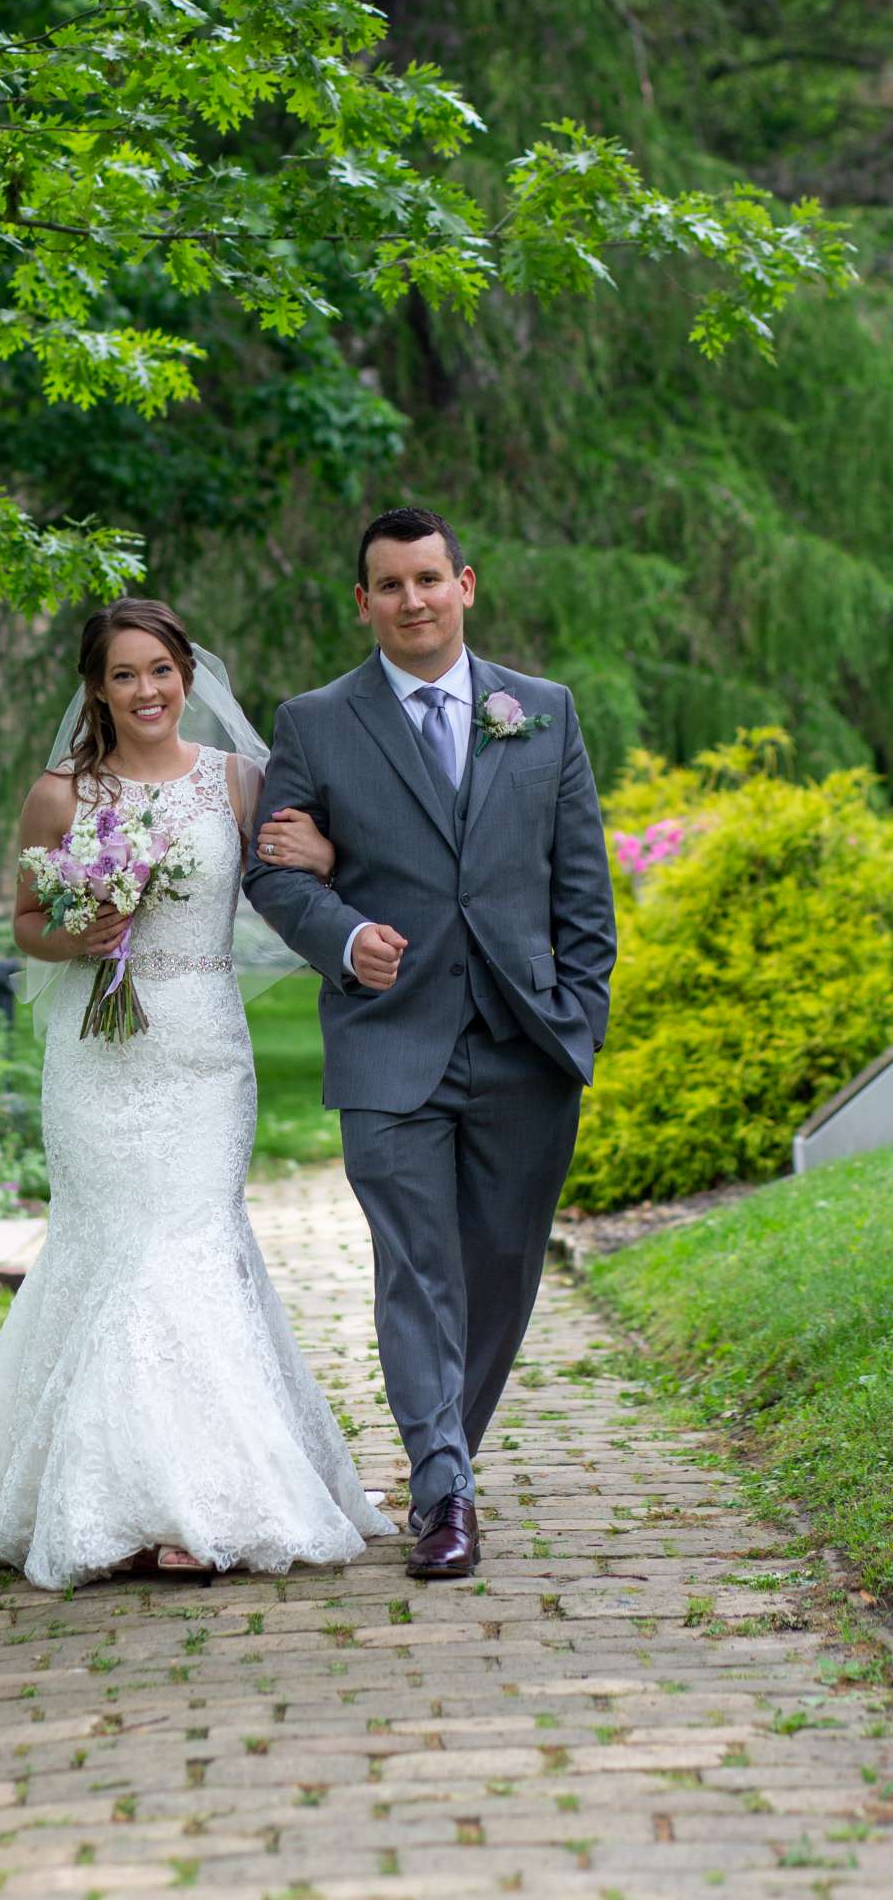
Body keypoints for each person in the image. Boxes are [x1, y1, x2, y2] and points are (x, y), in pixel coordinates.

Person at [0, 597, 396, 1590]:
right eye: (124, 674)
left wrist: (324, 860)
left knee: (188, 1243)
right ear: (97, 688)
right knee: (113, 1247)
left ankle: (190, 1506)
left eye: (160, 670)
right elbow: (25, 918)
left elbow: (299, 878)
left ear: (185, 677)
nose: (147, 690)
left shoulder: (236, 781)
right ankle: (105, 1497)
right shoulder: (61, 794)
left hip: (203, 1047)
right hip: (97, 1056)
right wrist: (75, 935)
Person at [244, 507, 616, 1580]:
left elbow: (580, 889)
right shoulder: (314, 722)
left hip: (523, 1046)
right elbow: (275, 869)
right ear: (361, 603)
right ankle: (442, 1487)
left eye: (427, 579)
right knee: (417, 1270)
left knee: (497, 1273)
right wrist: (345, 934)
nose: (411, 600)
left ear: (466, 583)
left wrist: (574, 1024)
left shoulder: (538, 712)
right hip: (388, 1042)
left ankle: (448, 1454)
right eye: (388, 585)